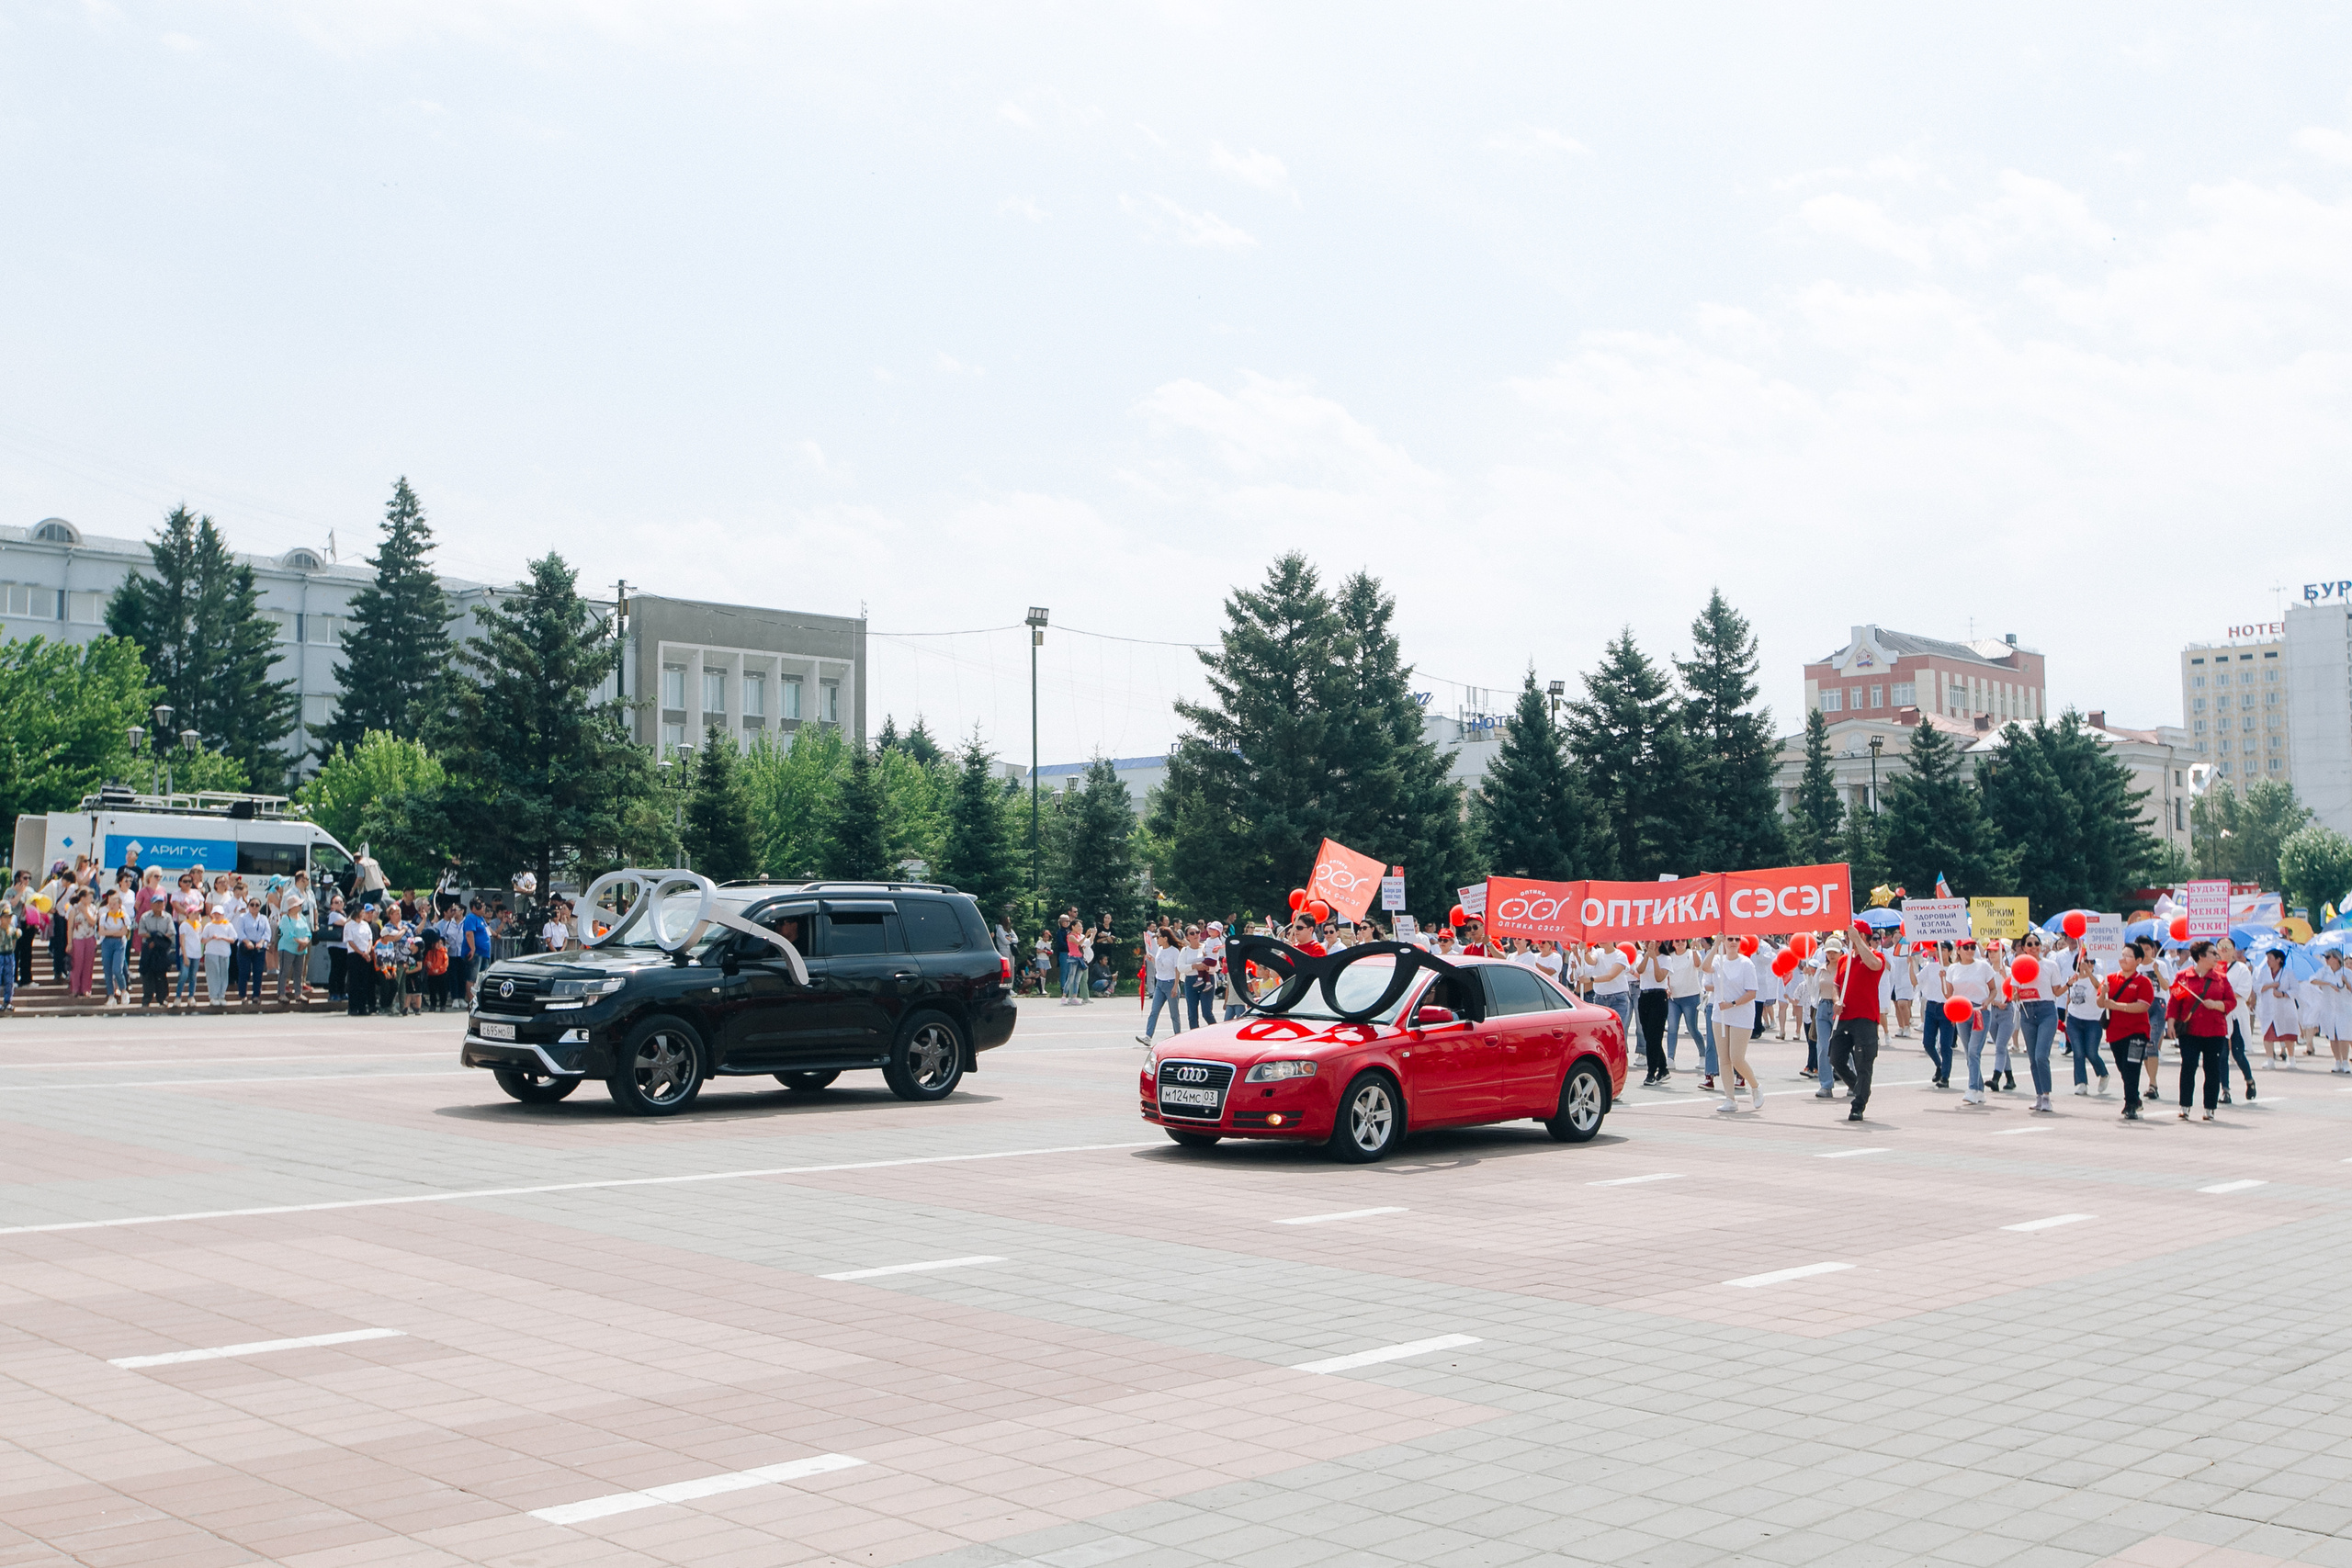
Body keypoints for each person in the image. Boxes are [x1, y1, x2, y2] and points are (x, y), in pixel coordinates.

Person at [1829, 921, 1887, 1122]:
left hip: (1865, 1017)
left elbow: (1874, 965)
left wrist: (1858, 942)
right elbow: (1836, 985)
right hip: (1844, 1017)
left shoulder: (1876, 955)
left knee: (1864, 1061)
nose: (1847, 938)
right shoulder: (1844, 959)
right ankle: (1859, 1086)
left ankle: (1858, 1105)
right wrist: (1836, 1001)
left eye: (1851, 934)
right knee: (1835, 1057)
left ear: (1862, 936)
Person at [2099, 943, 2155, 1119]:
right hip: (2115, 1032)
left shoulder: (2143, 982)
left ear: (2138, 960)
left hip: (2137, 1032)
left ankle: (2130, 1103)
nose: (2123, 959)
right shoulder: (2109, 978)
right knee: (2122, 1067)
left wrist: (2117, 1006)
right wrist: (2103, 995)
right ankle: (2135, 1099)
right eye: (2122, 955)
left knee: (2132, 1066)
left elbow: (2142, 1006)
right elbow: (2101, 1004)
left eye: (2128, 956)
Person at [2013, 931, 2062, 1113]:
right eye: (2030, 944)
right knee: (2033, 1058)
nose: (2034, 947)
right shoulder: (2018, 965)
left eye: (2036, 944)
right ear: (2023, 948)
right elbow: (2013, 991)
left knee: (2042, 1055)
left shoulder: (2050, 965)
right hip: (2027, 1012)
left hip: (2046, 1011)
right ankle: (2039, 1095)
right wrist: (2015, 994)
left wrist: (2069, 984)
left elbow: (2056, 991)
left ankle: (2047, 1096)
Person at [1945, 940, 1997, 1106]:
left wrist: (1987, 1001)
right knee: (1969, 1053)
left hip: (1979, 1012)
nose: (1970, 950)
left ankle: (1973, 1088)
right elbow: (1948, 995)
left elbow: (1993, 989)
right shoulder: (1953, 969)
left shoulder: (1983, 967)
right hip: (1961, 1012)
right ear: (1958, 950)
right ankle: (1979, 1089)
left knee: (1974, 1051)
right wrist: (1942, 979)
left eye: (1973, 947)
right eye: (1966, 947)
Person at [1714, 939, 1761, 1113]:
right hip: (1720, 1015)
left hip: (1741, 1014)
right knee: (1724, 1059)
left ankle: (1755, 1087)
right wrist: (1714, 946)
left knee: (1737, 1058)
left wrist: (1732, 1003)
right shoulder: (1717, 960)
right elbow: (1704, 968)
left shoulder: (1746, 964)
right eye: (1729, 939)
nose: (1733, 942)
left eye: (1736, 939)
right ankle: (1730, 1099)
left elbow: (1752, 993)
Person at [2062, 950, 2110, 1097]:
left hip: (2093, 1021)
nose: (2090, 964)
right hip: (2074, 1019)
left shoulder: (2099, 977)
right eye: (2086, 961)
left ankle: (2103, 1073)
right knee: (2078, 1052)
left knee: (2091, 1052)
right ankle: (2081, 1083)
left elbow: (2099, 988)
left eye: (2092, 962)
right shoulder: (2073, 979)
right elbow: (2068, 999)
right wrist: (2065, 1019)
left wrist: (2089, 973)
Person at [1137, 927, 1187, 1046]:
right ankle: (1148, 1036)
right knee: (1154, 1011)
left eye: (1159, 937)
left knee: (1174, 1014)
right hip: (1160, 983)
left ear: (1165, 938)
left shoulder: (1174, 951)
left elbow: (1177, 969)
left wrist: (1176, 986)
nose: (1157, 939)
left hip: (1171, 983)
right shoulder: (1159, 949)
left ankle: (1177, 1036)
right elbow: (1160, 965)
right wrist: (1153, 960)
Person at [2253, 949, 2300, 1067]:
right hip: (2268, 1008)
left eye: (2270, 958)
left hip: (2284, 1008)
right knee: (2267, 1034)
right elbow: (2256, 987)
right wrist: (2270, 986)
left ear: (2279, 960)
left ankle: (2291, 1058)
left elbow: (2296, 990)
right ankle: (2270, 1060)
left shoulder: (2288, 973)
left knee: (2287, 1034)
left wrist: (2283, 994)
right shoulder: (2264, 973)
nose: (2268, 961)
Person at [1634, 941, 1671, 1085]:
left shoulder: (1666, 959)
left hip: (1659, 997)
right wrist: (1647, 956)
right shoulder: (1641, 956)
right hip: (1644, 996)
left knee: (1654, 1036)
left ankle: (1651, 1072)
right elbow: (1640, 970)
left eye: (1651, 941)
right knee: (1649, 1035)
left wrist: (1654, 958)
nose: (1647, 944)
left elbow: (1659, 977)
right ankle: (1663, 1068)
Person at [2312, 949, 2352, 1073]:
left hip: (2344, 1008)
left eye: (2328, 957)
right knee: (2332, 1036)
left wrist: (2346, 981)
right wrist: (2328, 983)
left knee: (2343, 1036)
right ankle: (2337, 1061)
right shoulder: (2324, 971)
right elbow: (2312, 980)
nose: (2326, 959)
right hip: (2329, 1008)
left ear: (2336, 958)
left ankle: (2345, 1061)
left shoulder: (2347, 972)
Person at [136, 897, 175, 1009]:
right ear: (151, 904)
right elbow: (141, 932)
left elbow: (171, 931)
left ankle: (162, 999)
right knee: (147, 973)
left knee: (161, 974)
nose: (159, 905)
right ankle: (146, 999)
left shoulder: (167, 917)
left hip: (161, 948)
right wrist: (153, 937)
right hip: (148, 947)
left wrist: (158, 940)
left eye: (161, 903)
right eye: (156, 903)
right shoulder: (145, 917)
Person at [97, 889, 133, 1005]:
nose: (111, 906)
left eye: (114, 904)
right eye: (110, 904)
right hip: (106, 943)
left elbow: (124, 932)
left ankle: (123, 990)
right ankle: (111, 995)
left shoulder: (124, 917)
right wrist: (116, 932)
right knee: (107, 970)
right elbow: (101, 932)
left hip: (119, 943)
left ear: (119, 905)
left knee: (117, 969)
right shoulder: (104, 916)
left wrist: (111, 931)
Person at [199, 905, 236, 1008]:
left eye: (219, 914)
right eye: (215, 914)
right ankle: (213, 996)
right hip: (211, 952)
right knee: (213, 974)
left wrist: (222, 938)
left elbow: (233, 939)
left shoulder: (228, 925)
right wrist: (212, 938)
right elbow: (203, 940)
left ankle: (221, 995)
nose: (217, 916)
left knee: (223, 974)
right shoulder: (209, 926)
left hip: (224, 952)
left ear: (223, 915)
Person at [277, 899, 311, 1004]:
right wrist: (300, 942)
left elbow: (308, 932)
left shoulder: (302, 918)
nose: (301, 906)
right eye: (299, 905)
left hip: (301, 950)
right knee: (284, 971)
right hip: (287, 948)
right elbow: (288, 934)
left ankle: (298, 994)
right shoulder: (285, 918)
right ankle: (281, 993)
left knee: (299, 972)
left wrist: (305, 942)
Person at [66, 890, 98, 999]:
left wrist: (85, 911)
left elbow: (93, 922)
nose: (91, 900)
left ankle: (86, 989)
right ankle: (75, 988)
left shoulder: (93, 908)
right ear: (83, 898)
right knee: (77, 964)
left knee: (88, 964)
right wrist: (69, 942)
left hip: (89, 937)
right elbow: (70, 927)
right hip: (77, 938)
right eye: (89, 897)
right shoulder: (73, 909)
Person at [344, 909, 377, 1016]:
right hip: (354, 954)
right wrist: (360, 952)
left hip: (365, 954)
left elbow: (370, 939)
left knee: (364, 982)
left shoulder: (365, 925)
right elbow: (350, 941)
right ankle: (353, 1007)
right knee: (354, 982)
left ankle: (362, 1007)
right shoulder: (349, 925)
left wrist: (367, 951)